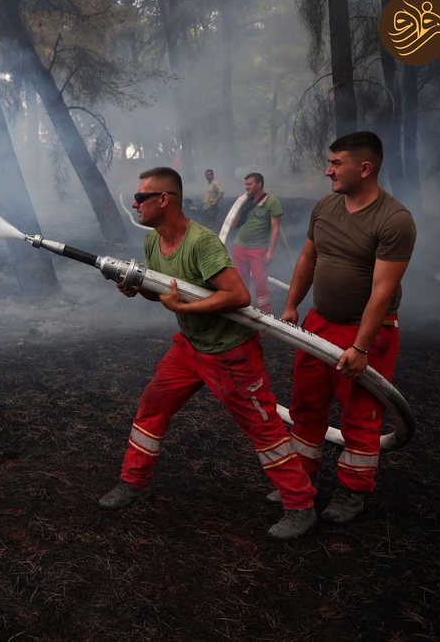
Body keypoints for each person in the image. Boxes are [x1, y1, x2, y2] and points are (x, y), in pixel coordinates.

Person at [98, 166, 317, 540]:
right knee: (152, 406)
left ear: (164, 199)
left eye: (141, 197)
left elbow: (237, 295)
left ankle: (300, 506)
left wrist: (182, 310)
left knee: (263, 428)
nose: (134, 204)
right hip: (190, 348)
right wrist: (137, 287)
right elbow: (162, 289)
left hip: (231, 354)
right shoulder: (153, 242)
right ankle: (132, 481)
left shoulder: (202, 242)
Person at [276, 131, 416, 524]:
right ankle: (301, 480)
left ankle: (353, 493)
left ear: (365, 168)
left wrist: (362, 346)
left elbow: (382, 291)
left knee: (360, 414)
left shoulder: (394, 220)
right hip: (318, 323)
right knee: (306, 404)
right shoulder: (326, 206)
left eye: (337, 164)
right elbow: (307, 260)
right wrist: (292, 308)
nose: (328, 171)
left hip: (366, 332)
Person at [232, 173, 282, 313]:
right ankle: (242, 308)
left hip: (258, 249)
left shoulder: (272, 202)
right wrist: (238, 206)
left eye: (250, 184)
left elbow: (276, 228)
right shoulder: (245, 201)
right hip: (239, 247)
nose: (246, 187)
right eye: (246, 184)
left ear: (259, 184)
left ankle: (265, 312)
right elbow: (234, 224)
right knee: (241, 280)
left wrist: (271, 251)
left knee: (260, 281)